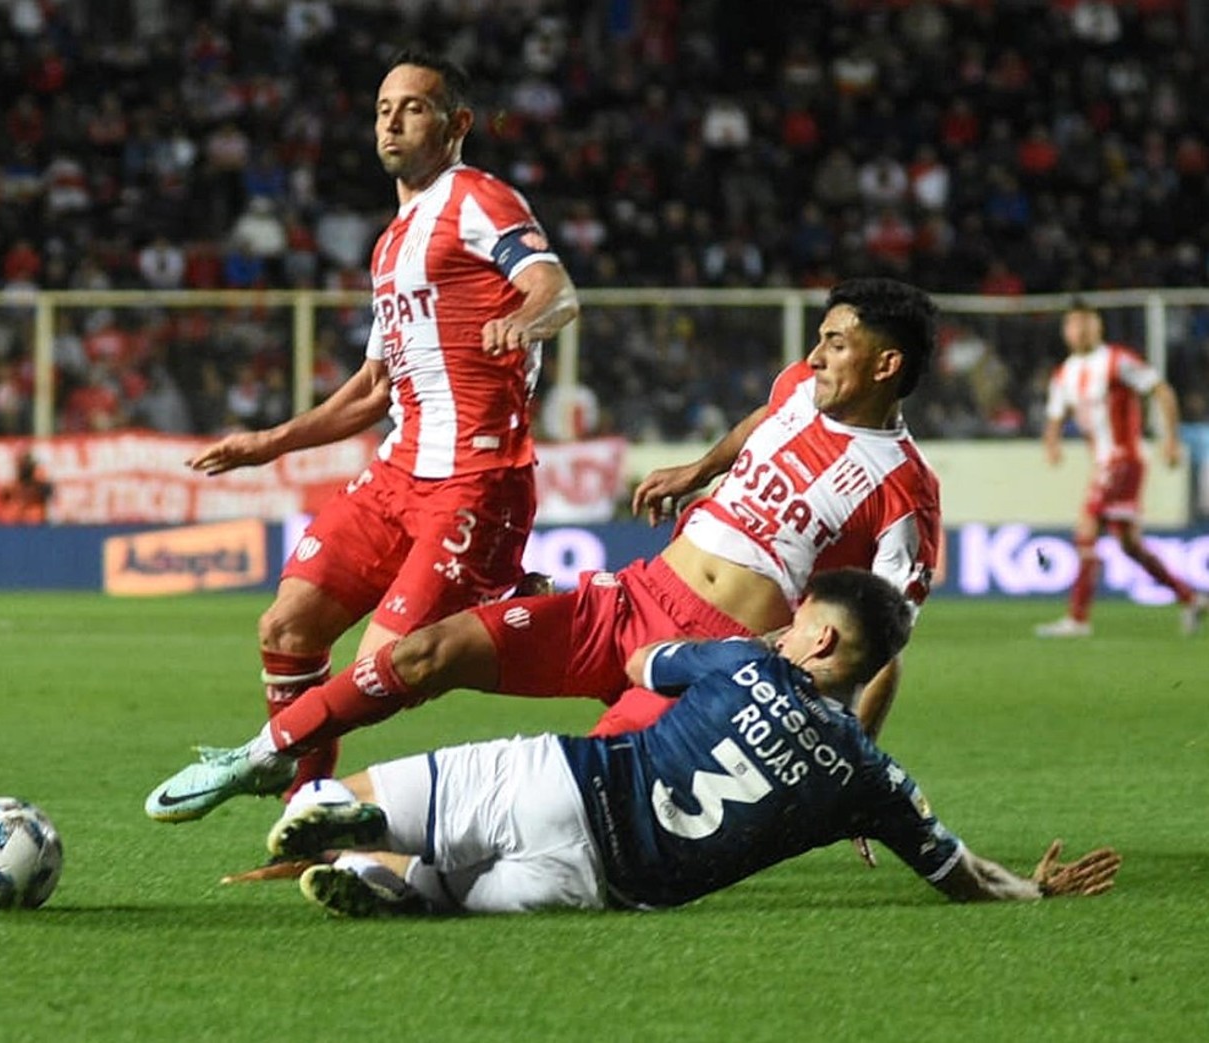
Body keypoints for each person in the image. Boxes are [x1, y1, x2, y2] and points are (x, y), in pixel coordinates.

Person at [147, 278, 942, 823]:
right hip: (633, 596)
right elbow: (755, 425)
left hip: (710, 654)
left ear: (885, 362)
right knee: (426, 653)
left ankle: (384, 853)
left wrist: (849, 759)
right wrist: (698, 468)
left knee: (567, 796)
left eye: (836, 344)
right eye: (818, 339)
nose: (815, 356)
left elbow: (882, 639)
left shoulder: (902, 485)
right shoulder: (796, 388)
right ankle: (261, 756)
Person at [176, 48, 579, 798]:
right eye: (382, 108)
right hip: (397, 473)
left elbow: (555, 289)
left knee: (383, 672)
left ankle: (511, 602)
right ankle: (306, 816)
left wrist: (525, 318)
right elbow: (370, 389)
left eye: (413, 107)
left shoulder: (476, 199)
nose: (391, 120)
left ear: (457, 124)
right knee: (286, 630)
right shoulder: (391, 243)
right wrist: (270, 442)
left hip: (474, 477)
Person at [265, 569, 1121, 917]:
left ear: (819, 642)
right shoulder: (875, 781)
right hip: (598, 885)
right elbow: (962, 875)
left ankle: (351, 824)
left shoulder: (747, 662)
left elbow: (638, 657)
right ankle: (399, 887)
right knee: (440, 894)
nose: (784, 629)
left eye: (799, 622)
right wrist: (1034, 892)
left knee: (345, 807)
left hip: (564, 782)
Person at [1035, 302, 1207, 637]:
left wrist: (1170, 438)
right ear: (1065, 331)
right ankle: (1190, 598)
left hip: (1123, 458)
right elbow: (1055, 416)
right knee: (1128, 543)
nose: (1080, 329)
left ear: (1098, 326)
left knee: (1086, 527)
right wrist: (1052, 442)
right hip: (1104, 463)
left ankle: (1078, 619)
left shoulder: (1117, 360)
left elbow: (1161, 389)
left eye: (1086, 322)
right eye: (1073, 324)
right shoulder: (1064, 374)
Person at [0, 452, 53, 524]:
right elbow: (4, 496)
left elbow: (48, 493)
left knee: (35, 511)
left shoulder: (40, 487)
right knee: (13, 509)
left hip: (36, 528)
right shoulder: (14, 488)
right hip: (17, 526)